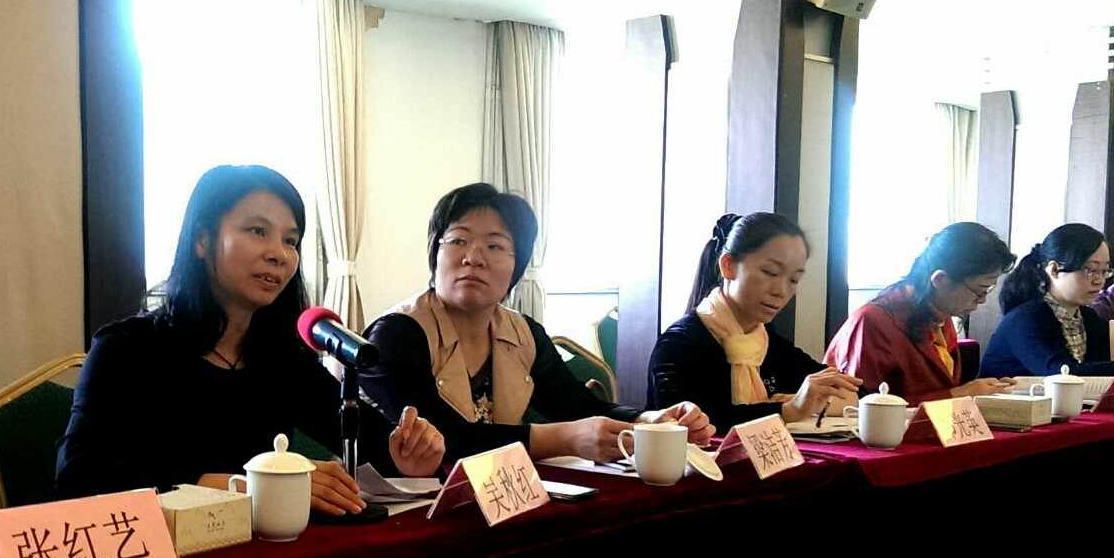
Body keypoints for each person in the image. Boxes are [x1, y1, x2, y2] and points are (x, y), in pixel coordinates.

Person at [56, 165, 444, 517]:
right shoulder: (125, 350)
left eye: (291, 240)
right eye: (258, 231)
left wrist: (407, 455)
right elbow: (80, 482)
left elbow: (375, 444)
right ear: (202, 240)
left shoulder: (282, 358)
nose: (279, 255)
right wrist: (252, 487)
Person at [361, 183, 715, 464]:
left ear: (517, 265)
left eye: (495, 246)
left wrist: (647, 420)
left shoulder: (523, 333)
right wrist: (564, 438)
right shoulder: (394, 335)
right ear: (435, 254)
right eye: (458, 240)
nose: (473, 258)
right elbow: (444, 438)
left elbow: (577, 405)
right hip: (397, 502)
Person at [648, 213, 861, 432]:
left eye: (793, 280)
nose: (781, 291)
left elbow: (842, 388)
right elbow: (690, 423)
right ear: (728, 266)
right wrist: (789, 408)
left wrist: (803, 400)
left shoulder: (764, 339)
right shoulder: (680, 344)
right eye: (770, 272)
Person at [824, 222, 1017, 405]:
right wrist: (959, 395)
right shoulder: (872, 321)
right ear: (940, 280)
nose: (982, 300)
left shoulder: (941, 313)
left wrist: (982, 391)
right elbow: (857, 407)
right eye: (979, 291)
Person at [982, 223, 1114, 376]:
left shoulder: (1089, 318)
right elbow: (1060, 373)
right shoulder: (1025, 319)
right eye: (1090, 270)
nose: (1099, 281)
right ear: (1054, 269)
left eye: (1104, 271)